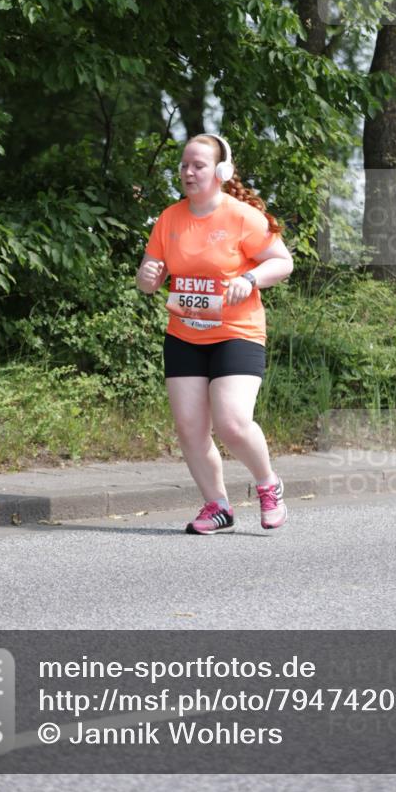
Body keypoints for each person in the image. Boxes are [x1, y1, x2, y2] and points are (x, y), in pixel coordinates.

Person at [135, 133, 294, 535]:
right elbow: (148, 280)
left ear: (221, 171)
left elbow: (283, 262)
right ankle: (217, 505)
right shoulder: (169, 219)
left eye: (198, 165)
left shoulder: (242, 216)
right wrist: (148, 276)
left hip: (236, 332)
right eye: (184, 165)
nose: (188, 172)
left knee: (232, 423)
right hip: (184, 335)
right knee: (190, 429)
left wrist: (250, 278)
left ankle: (268, 484)